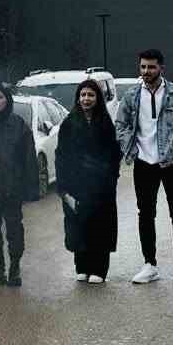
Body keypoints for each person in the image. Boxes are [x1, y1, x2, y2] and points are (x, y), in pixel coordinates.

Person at [113, 49, 173, 285]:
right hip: (143, 163)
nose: (146, 72)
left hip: (172, 163)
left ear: (161, 68)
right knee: (145, 214)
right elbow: (120, 124)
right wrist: (130, 149)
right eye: (142, 67)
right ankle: (149, 265)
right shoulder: (131, 96)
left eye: (151, 67)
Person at [55, 79, 122, 285]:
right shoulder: (69, 123)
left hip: (101, 186)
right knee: (78, 225)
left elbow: (113, 154)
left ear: (97, 98)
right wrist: (64, 187)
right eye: (83, 95)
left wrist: (110, 178)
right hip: (76, 186)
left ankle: (99, 269)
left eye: (91, 95)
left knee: (99, 226)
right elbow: (61, 156)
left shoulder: (105, 123)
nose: (86, 99)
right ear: (78, 98)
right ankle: (82, 266)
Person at [0, 82, 38, 288]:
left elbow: (29, 157)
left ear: (7, 100)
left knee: (14, 230)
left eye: (0, 97)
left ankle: (14, 268)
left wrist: (31, 187)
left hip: (13, 187)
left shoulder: (18, 124)